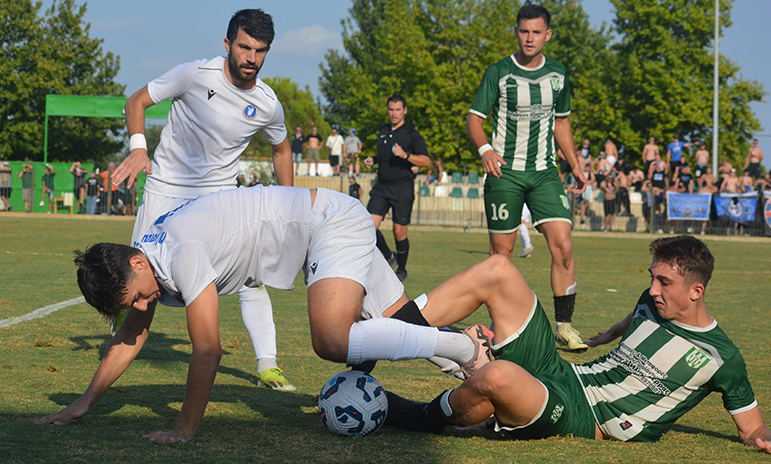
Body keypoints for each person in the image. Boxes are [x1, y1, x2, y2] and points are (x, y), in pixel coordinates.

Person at [34, 186, 492, 442]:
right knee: (404, 322)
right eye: (129, 304)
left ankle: (463, 346)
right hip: (327, 217)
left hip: (327, 224)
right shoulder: (147, 262)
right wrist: (85, 401)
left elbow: (208, 349)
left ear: (136, 262)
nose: (140, 308)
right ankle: (492, 373)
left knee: (332, 340)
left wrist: (184, 429)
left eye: (134, 296)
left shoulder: (179, 255)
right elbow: (130, 337)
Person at [383, 236, 771, 454]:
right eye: (652, 278)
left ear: (697, 290)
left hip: (583, 417)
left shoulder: (723, 358)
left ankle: (421, 412)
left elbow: (752, 429)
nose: (652, 290)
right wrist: (611, 333)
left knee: (499, 377)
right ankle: (384, 336)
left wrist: (763, 441)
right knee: (498, 269)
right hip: (564, 372)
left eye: (664, 283)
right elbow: (634, 318)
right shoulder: (651, 302)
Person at [110, 9, 295, 392]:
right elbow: (136, 102)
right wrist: (139, 149)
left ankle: (268, 365)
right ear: (228, 44)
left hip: (218, 200)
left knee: (251, 278)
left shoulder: (266, 102)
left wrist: (288, 201)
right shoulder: (193, 74)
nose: (252, 58)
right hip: (164, 192)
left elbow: (282, 149)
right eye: (245, 47)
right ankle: (108, 370)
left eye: (261, 51)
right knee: (141, 290)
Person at [466, 4, 588, 351]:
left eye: (537, 32)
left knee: (563, 245)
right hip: (505, 173)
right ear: (516, 32)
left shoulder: (558, 75)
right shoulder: (499, 72)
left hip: (545, 172)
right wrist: (486, 150)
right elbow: (474, 119)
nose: (530, 38)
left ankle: (563, 326)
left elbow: (561, 122)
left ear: (547, 35)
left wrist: (575, 163)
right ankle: (500, 327)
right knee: (500, 256)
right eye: (524, 31)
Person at [364, 94, 431, 283]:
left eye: (398, 110)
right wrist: (374, 160)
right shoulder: (383, 130)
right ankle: (388, 256)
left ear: (405, 111)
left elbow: (426, 160)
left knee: (399, 232)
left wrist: (406, 155)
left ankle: (402, 270)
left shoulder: (411, 134)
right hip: (382, 187)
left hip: (402, 188)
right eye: (391, 110)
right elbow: (383, 154)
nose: (394, 113)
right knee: (368, 225)